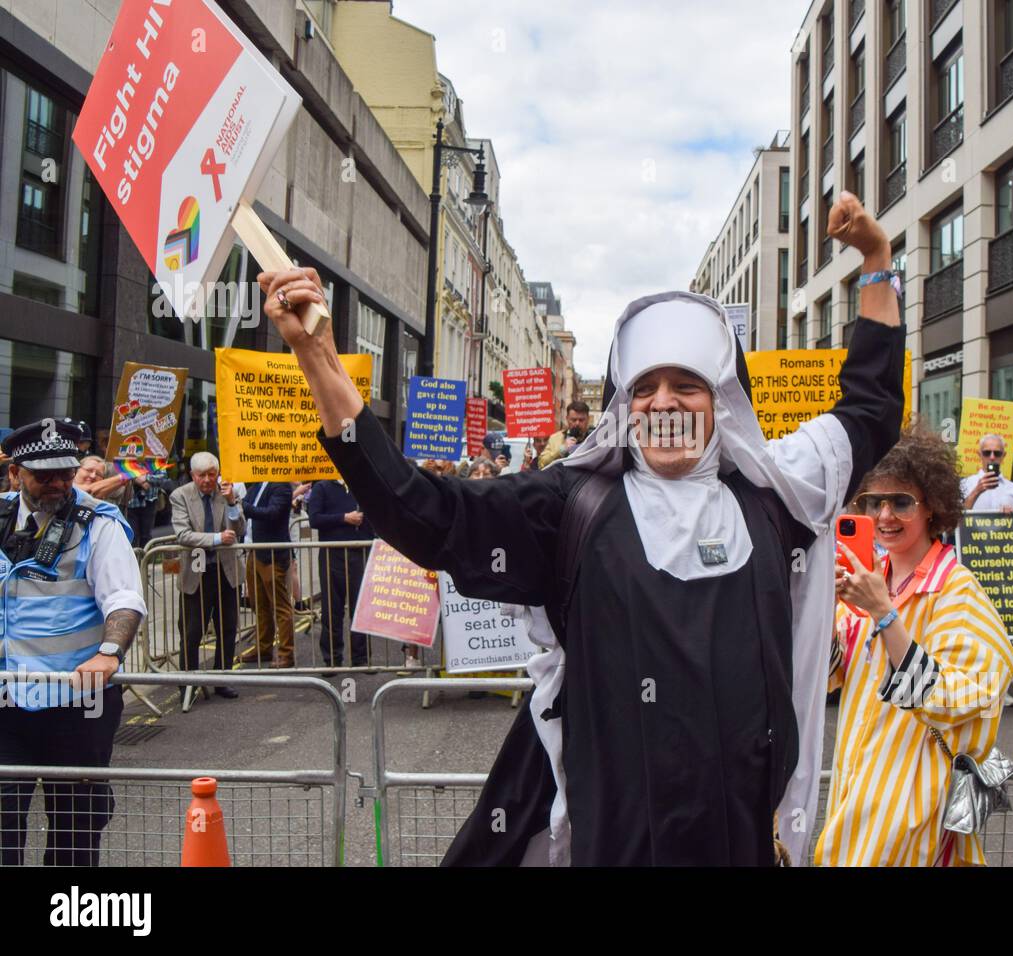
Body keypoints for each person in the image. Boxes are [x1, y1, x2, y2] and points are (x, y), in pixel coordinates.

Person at [258, 189, 904, 866]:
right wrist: (321, 358)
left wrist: (877, 258)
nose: (663, 402)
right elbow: (424, 513)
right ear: (624, 406)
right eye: (644, 387)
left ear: (722, 401)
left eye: (686, 384)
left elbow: (870, 409)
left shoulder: (777, 500)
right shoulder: (571, 507)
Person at [818, 426, 1013, 866]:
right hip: (855, 801)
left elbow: (962, 698)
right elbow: (831, 675)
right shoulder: (872, 578)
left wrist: (885, 616)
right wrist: (823, 608)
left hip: (914, 812)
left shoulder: (957, 592)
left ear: (933, 508)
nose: (885, 515)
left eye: (901, 502)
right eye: (873, 502)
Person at [0, 420, 146, 865]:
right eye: (44, 475)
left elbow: (123, 597)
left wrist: (109, 654)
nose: (58, 484)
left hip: (78, 703)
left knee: (76, 830)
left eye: (65, 472)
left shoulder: (99, 524)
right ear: (14, 474)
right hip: (7, 701)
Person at [169, 453, 244, 698]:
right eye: (202, 475)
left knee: (228, 627)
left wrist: (232, 503)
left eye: (212, 474)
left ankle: (221, 679)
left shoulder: (227, 492)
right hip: (196, 573)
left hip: (225, 571)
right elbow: (183, 535)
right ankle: (188, 684)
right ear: (193, 475)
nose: (208, 480)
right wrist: (217, 539)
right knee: (191, 632)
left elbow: (240, 529)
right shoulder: (180, 495)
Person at [308, 479, 373, 669]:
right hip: (332, 553)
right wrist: (344, 518)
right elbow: (315, 519)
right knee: (331, 609)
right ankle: (332, 659)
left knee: (359, 608)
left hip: (359, 553)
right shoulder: (321, 487)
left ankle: (361, 658)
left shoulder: (361, 485)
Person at [236, 482, 295, 668]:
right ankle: (263, 648)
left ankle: (286, 653)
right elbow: (245, 504)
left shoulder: (281, 486)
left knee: (279, 605)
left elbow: (271, 514)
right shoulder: (257, 485)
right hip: (254, 551)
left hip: (272, 554)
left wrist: (243, 507)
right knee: (258, 603)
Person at [960, 434, 1013, 513]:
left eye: (997, 453)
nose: (992, 457)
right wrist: (976, 492)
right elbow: (955, 518)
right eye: (987, 453)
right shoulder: (965, 485)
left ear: (1003, 456)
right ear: (979, 454)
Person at [537, 401, 592, 468]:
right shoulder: (556, 438)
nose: (577, 423)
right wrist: (562, 449)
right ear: (567, 419)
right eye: (574, 420)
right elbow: (542, 464)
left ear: (588, 419)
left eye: (581, 420)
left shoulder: (593, 438)